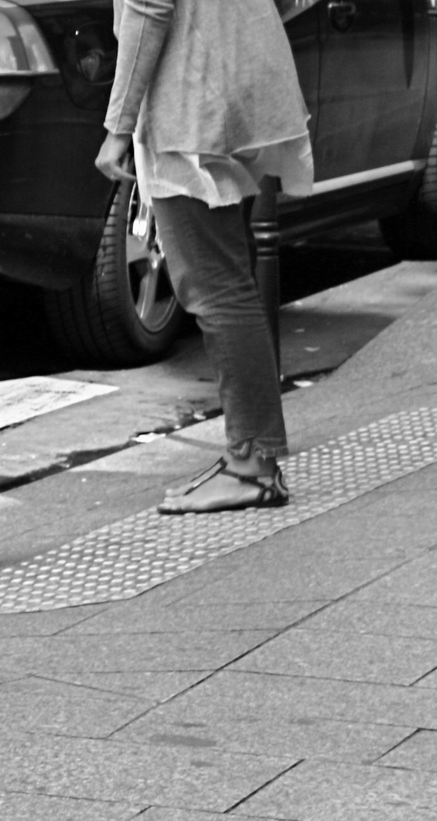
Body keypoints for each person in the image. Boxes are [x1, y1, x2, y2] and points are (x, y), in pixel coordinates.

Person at [96, 0, 311, 513]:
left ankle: (252, 464)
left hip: (190, 101)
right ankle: (250, 458)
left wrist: (118, 127)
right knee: (227, 280)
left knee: (215, 286)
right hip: (235, 85)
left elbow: (148, 8)